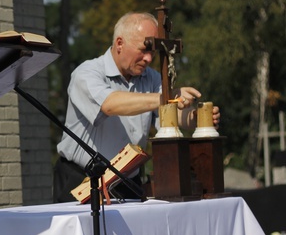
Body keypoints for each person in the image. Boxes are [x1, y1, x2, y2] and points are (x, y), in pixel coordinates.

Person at [53, 11, 220, 202]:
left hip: (127, 183)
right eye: (144, 49)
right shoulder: (86, 73)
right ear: (120, 44)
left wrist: (194, 119)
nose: (149, 58)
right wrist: (167, 96)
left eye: (153, 52)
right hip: (81, 182)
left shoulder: (153, 78)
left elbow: (167, 115)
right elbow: (110, 104)